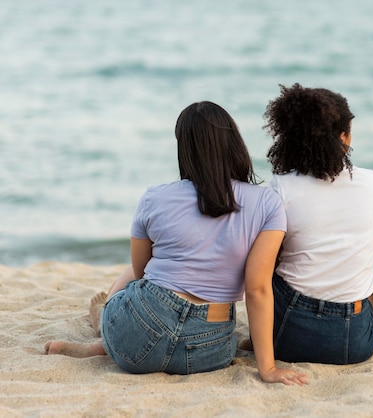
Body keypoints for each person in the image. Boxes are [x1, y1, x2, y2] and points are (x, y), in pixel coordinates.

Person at [45, 101, 307, 385]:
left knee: (134, 278)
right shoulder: (267, 203)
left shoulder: (154, 198)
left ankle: (105, 330)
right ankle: (106, 334)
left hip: (140, 332)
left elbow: (140, 272)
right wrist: (267, 369)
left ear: (184, 149)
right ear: (234, 143)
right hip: (210, 348)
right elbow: (257, 288)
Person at [263, 83, 373, 364]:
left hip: (290, 338)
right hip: (358, 342)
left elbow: (265, 268)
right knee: (360, 255)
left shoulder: (281, 188)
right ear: (344, 137)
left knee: (266, 258)